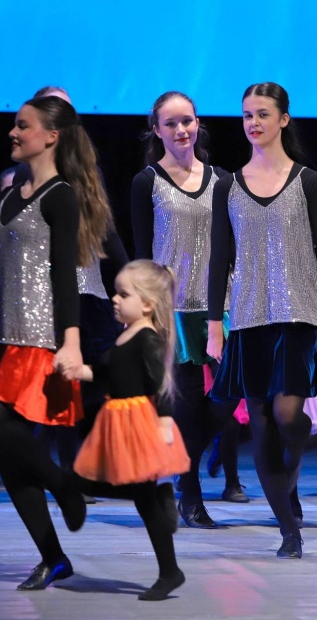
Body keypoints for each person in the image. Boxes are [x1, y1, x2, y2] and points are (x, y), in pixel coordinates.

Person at [0, 94, 114, 590]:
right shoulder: (11, 190)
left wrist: (70, 342)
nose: (13, 133)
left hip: (37, 338)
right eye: (14, 125)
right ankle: (54, 557)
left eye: (23, 125)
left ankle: (64, 484)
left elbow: (64, 276)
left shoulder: (60, 196)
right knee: (8, 453)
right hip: (0, 334)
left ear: (51, 136)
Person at [207, 82, 317, 559]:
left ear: (284, 119)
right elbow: (219, 258)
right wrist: (214, 325)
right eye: (247, 115)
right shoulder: (227, 185)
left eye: (263, 113)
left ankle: (298, 454)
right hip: (248, 318)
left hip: (299, 314)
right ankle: (289, 530)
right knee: (262, 425)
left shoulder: (308, 181)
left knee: (288, 416)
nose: (254, 122)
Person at [130, 90, 240, 526]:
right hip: (172, 309)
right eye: (171, 123)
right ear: (156, 131)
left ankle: (183, 463)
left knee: (231, 391)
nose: (181, 130)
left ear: (198, 124)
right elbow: (142, 253)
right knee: (188, 405)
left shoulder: (222, 181)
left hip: (220, 305)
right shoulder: (147, 182)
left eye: (187, 121)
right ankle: (191, 497)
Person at [62, 260, 190, 601]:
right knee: (116, 487)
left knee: (139, 499)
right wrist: (79, 371)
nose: (114, 299)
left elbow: (160, 383)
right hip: (115, 420)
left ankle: (170, 571)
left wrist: (164, 421)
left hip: (137, 422)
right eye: (115, 293)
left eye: (123, 294)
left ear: (147, 304)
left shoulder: (147, 338)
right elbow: (107, 371)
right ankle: (160, 503)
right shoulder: (124, 334)